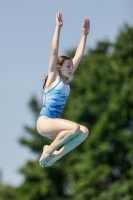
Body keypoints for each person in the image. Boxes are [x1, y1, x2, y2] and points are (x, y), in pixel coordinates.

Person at [37, 12, 90, 167]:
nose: (71, 68)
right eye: (68, 66)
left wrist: (84, 35)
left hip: (54, 124)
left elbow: (79, 55)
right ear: (59, 67)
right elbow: (54, 50)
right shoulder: (53, 78)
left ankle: (54, 157)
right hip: (44, 122)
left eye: (72, 66)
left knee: (83, 132)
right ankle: (48, 151)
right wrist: (58, 28)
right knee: (74, 127)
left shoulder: (66, 80)